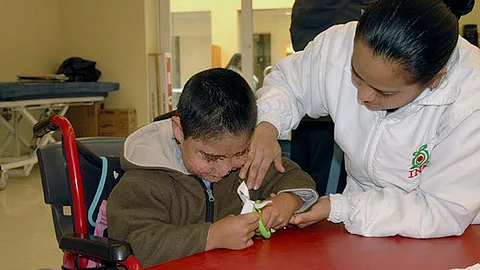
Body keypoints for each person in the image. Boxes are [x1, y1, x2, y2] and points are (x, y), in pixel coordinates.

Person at [239, 0, 480, 238]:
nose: (363, 96)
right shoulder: (340, 44)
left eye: (384, 92)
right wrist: (268, 123)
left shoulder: (470, 99)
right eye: (356, 74)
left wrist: (343, 207)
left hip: (448, 234)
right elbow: (290, 84)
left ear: (435, 79)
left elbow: (441, 210)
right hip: (360, 224)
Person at [107, 68, 317, 266]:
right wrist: (212, 237)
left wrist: (287, 201)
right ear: (179, 132)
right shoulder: (143, 180)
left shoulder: (248, 162)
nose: (225, 168)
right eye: (211, 157)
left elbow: (293, 177)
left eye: (239, 153)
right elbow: (134, 244)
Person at [289, 0, 375, 196]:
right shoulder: (348, 10)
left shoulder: (305, 7)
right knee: (324, 195)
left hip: (306, 114)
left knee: (302, 188)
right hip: (332, 116)